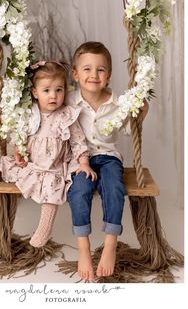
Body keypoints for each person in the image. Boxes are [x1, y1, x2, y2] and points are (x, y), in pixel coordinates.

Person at [66, 41, 149, 282]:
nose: (94, 75)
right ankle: (84, 249)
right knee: (79, 190)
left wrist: (141, 113)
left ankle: (110, 244)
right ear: (75, 73)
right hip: (79, 160)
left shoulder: (119, 102)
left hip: (109, 157)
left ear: (109, 75)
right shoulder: (68, 101)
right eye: (87, 69)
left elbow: (127, 129)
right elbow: (45, 115)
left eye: (100, 69)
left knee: (114, 187)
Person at [0, 60, 97, 248]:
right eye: (46, 91)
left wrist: (84, 162)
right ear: (35, 93)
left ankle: (45, 227)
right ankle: (7, 227)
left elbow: (78, 141)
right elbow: (21, 136)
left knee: (52, 189)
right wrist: (19, 152)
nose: (53, 96)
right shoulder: (30, 114)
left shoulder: (66, 115)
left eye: (59, 90)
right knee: (16, 178)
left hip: (55, 166)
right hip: (34, 165)